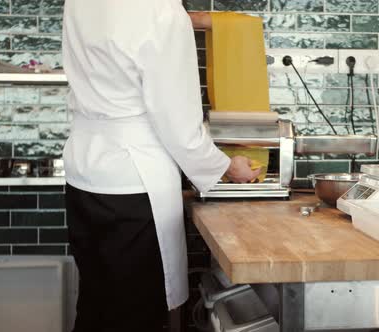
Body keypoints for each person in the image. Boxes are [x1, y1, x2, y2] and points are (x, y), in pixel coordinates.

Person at [62, 1, 260, 331]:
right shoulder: (162, 12)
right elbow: (178, 125)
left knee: (97, 306)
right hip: (135, 180)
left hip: (84, 170)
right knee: (137, 314)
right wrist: (225, 167)